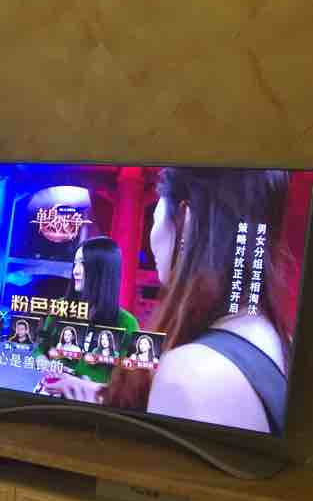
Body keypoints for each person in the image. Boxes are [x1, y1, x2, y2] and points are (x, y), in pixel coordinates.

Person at [104, 168, 292, 434]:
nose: (151, 235)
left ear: (187, 219)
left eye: (154, 215)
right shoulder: (280, 339)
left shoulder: (190, 376)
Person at [38, 236, 140, 396]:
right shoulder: (61, 307)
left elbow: (128, 387)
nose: (75, 271)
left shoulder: (127, 323)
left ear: (103, 271)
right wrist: (47, 366)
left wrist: (77, 384)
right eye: (75, 263)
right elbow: (40, 350)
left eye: (83, 264)